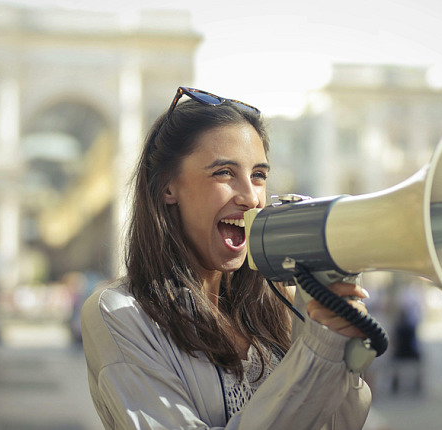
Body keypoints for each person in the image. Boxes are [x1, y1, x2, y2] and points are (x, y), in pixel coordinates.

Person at [80, 87, 372, 429]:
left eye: (259, 175)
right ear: (167, 187)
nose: (251, 197)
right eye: (224, 173)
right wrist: (316, 353)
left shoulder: (283, 302)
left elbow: (340, 423)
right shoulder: (119, 313)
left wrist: (338, 346)